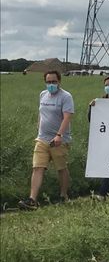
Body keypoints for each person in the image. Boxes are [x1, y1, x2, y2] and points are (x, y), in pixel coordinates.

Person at [18, 71, 74, 210]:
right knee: (37, 167)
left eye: (54, 82)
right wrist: (38, 128)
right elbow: (41, 113)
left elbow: (67, 117)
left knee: (61, 168)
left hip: (59, 139)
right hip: (42, 138)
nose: (51, 85)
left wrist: (59, 135)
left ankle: (63, 195)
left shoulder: (66, 97)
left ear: (59, 81)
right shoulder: (43, 95)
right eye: (48, 82)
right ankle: (32, 200)